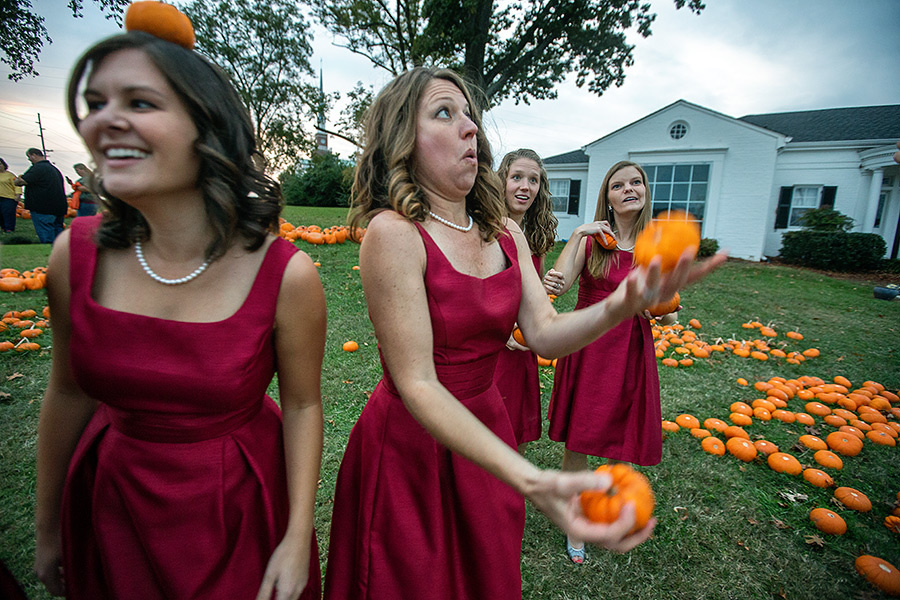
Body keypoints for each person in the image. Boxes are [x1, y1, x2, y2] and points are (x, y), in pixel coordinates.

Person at [323, 68, 724, 599]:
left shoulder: (505, 231)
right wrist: (534, 479)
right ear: (403, 138)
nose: (471, 128)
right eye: (445, 112)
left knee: (486, 576)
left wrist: (624, 303)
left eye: (470, 114)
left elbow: (546, 333)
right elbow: (417, 382)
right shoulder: (394, 234)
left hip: (490, 426)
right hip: (412, 445)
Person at [34, 14, 324, 600]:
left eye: (140, 102)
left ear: (206, 128)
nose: (105, 119)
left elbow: (301, 406)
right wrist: (47, 526)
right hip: (112, 505)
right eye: (95, 101)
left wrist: (297, 536)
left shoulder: (287, 274)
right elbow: (66, 391)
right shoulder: (73, 257)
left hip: (235, 510)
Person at [547, 160, 678, 564]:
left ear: (644, 191)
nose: (629, 190)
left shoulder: (656, 247)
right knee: (580, 440)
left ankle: (613, 510)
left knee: (618, 439)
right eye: (618, 185)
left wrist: (655, 305)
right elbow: (560, 283)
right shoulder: (591, 244)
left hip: (629, 348)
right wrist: (576, 234)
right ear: (607, 196)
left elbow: (670, 314)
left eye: (635, 183)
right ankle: (576, 520)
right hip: (588, 345)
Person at [493, 148, 562, 452]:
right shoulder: (487, 230)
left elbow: (533, 295)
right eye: (516, 177)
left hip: (522, 346)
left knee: (515, 434)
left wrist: (547, 286)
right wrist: (502, 330)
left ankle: (508, 498)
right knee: (486, 434)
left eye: (533, 180)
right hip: (491, 347)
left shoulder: (535, 237)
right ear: (501, 181)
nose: (525, 186)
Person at [14, 148, 67, 243]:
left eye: (29, 157)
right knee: (58, 234)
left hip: (43, 208)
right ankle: (60, 254)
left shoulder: (38, 168)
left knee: (46, 234)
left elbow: (22, 181)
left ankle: (49, 254)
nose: (29, 160)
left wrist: (17, 181)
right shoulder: (54, 169)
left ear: (34, 155)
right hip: (58, 207)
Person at [0, 158, 20, 233]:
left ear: (4, 165)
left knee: (8, 214)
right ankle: (3, 228)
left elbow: (17, 185)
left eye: (0, 164)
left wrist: (18, 194)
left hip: (8, 198)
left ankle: (9, 229)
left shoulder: (10, 175)